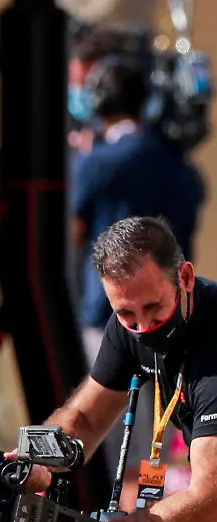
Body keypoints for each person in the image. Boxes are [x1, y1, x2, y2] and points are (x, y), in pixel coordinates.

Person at [15, 216, 217, 522]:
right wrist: (36, 462)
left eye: (153, 309)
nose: (142, 327)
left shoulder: (214, 349)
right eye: (126, 314)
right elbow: (85, 416)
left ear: (184, 277)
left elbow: (208, 501)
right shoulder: (128, 323)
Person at [71, 60, 205, 362]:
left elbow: (71, 236)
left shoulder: (95, 165)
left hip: (110, 320)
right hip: (177, 319)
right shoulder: (183, 168)